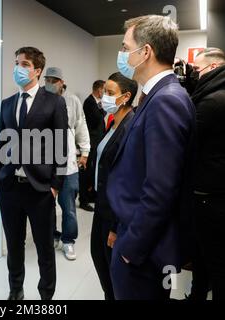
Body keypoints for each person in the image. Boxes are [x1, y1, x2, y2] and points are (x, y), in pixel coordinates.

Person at [106, 15, 196, 300]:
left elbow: (160, 190)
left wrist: (130, 249)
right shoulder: (154, 95)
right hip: (134, 235)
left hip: (144, 253)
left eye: (125, 47)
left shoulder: (166, 100)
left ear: (145, 52)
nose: (122, 54)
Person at [0, 47, 68, 300]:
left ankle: (46, 295)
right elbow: (1, 143)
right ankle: (16, 291)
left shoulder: (54, 101)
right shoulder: (7, 104)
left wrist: (56, 184)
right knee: (14, 246)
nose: (18, 68)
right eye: (16, 63)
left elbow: (61, 144)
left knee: (45, 248)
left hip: (40, 188)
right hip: (9, 187)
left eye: (24, 64)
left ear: (37, 70)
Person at [188, 48, 225, 300]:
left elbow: (188, 143)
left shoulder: (213, 102)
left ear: (212, 68)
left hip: (209, 196)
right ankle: (197, 295)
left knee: (216, 261)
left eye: (197, 70)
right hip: (222, 191)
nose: (195, 75)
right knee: (204, 255)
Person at [90, 72, 137, 300]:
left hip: (114, 214)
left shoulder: (130, 128)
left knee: (113, 271)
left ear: (125, 97)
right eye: (104, 93)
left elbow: (128, 181)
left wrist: (117, 227)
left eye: (110, 93)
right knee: (98, 258)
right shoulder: (113, 123)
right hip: (102, 205)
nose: (104, 98)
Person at [44, 67, 91, 261]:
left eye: (54, 80)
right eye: (47, 79)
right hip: (45, 165)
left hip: (68, 165)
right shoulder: (41, 101)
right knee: (46, 206)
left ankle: (68, 240)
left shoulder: (72, 101)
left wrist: (85, 150)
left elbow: (81, 124)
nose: (50, 83)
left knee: (69, 207)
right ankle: (52, 236)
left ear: (62, 82)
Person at [81, 80, 106, 211]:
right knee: (86, 171)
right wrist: (103, 109)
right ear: (98, 89)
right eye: (104, 89)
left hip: (97, 141)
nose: (105, 93)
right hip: (90, 142)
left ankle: (90, 195)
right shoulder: (89, 102)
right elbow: (96, 119)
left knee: (93, 170)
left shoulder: (97, 103)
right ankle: (83, 199)